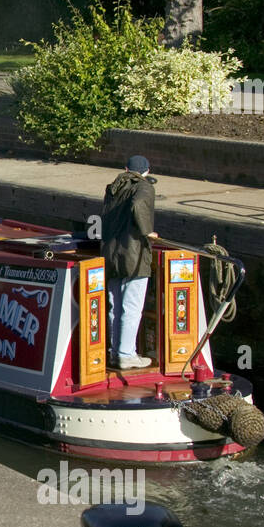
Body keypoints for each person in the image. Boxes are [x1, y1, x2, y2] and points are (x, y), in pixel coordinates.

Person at [102, 154, 158, 369]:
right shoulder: (143, 187)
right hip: (133, 254)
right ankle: (126, 354)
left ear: (125, 168)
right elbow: (138, 205)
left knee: (114, 306)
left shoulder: (113, 188)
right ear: (147, 171)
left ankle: (115, 352)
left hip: (112, 253)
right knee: (132, 306)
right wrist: (147, 232)